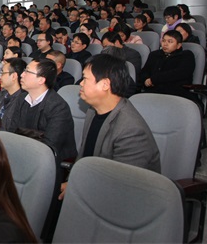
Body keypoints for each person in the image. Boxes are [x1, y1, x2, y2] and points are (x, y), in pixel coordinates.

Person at [59, 54, 160, 200]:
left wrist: (77, 187)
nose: (80, 83)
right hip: (91, 185)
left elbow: (120, 185)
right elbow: (84, 157)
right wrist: (72, 181)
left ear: (105, 84)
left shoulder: (131, 131)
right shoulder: (93, 111)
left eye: (85, 79)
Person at [13, 59, 77, 163]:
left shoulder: (58, 107)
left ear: (41, 80)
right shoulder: (21, 98)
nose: (22, 75)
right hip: (22, 154)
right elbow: (12, 130)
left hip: (49, 162)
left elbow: (49, 147)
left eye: (27, 71)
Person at [140, 30, 196, 100]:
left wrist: (154, 79)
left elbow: (180, 73)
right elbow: (144, 71)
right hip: (153, 91)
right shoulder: (154, 55)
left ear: (178, 45)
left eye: (170, 42)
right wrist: (146, 80)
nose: (165, 44)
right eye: (163, 41)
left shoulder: (186, 55)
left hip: (176, 93)